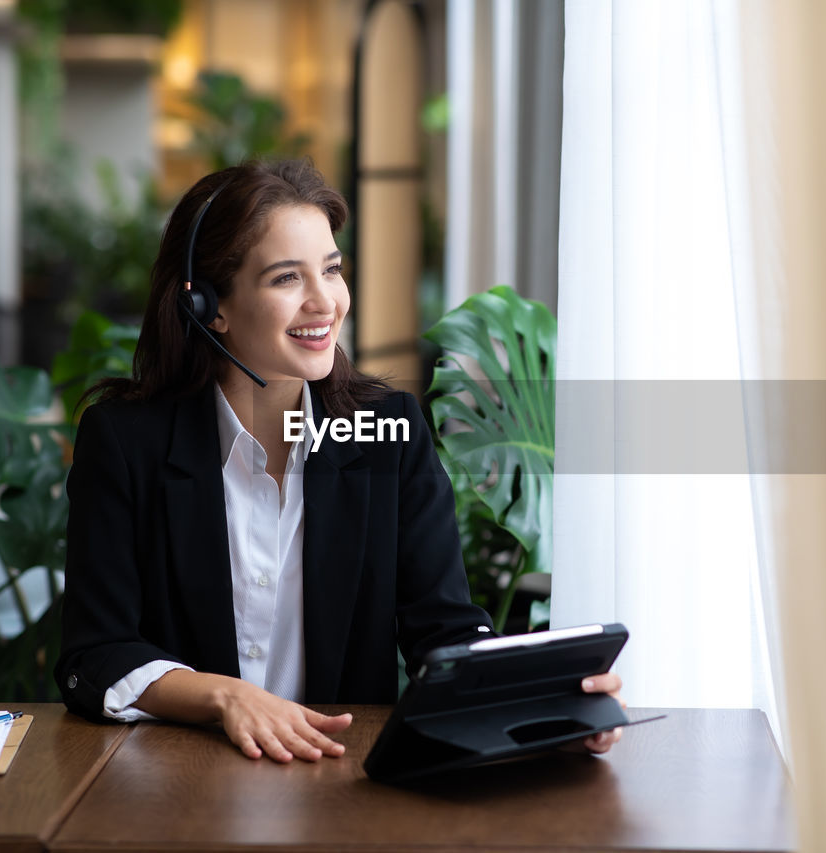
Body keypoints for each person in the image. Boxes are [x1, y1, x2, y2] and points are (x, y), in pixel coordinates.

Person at [55, 159, 623, 763]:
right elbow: (95, 656)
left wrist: (543, 700)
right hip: (181, 777)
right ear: (208, 305)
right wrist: (225, 697)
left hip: (336, 779)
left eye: (331, 270)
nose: (325, 302)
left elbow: (445, 629)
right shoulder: (126, 441)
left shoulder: (390, 433)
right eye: (286, 279)